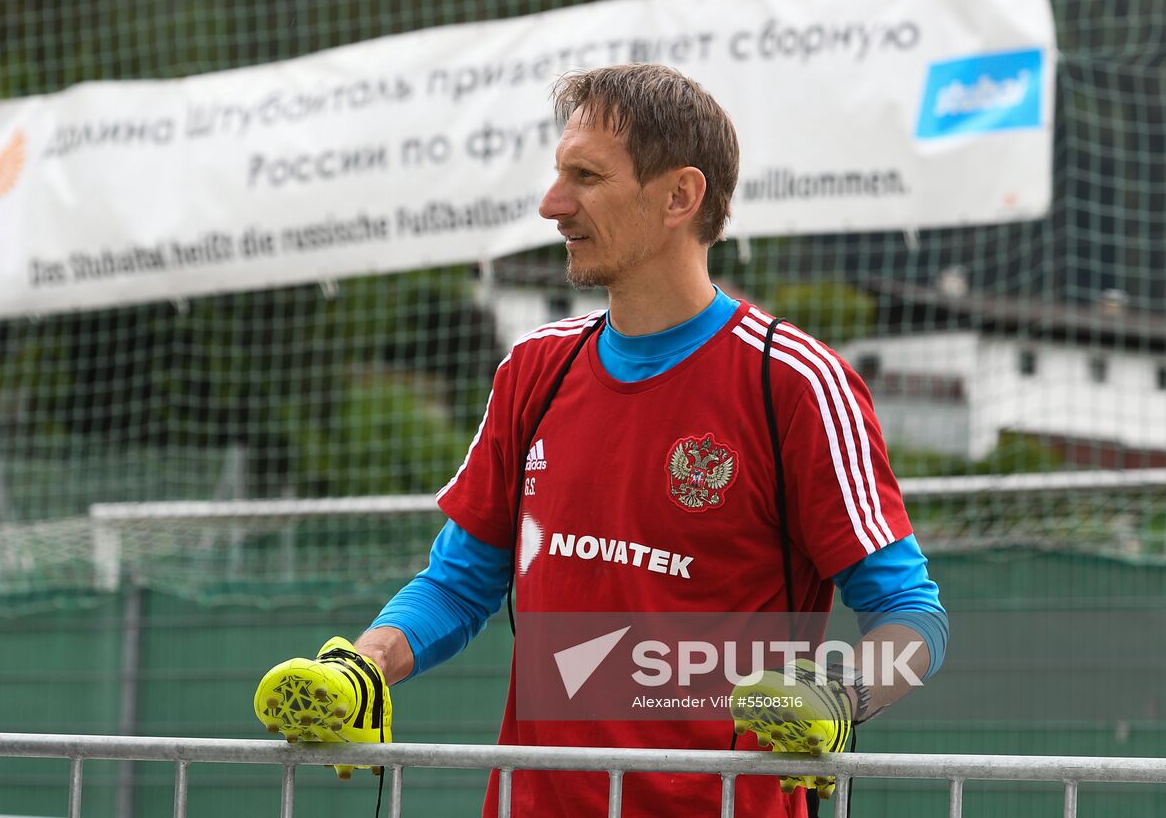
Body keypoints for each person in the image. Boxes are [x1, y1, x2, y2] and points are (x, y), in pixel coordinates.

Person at [253, 63, 948, 816]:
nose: (553, 205)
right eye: (559, 174)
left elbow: (912, 616)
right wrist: (365, 663)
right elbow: (459, 582)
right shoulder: (535, 370)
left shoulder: (797, 383)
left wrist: (839, 696)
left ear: (680, 196)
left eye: (586, 176)